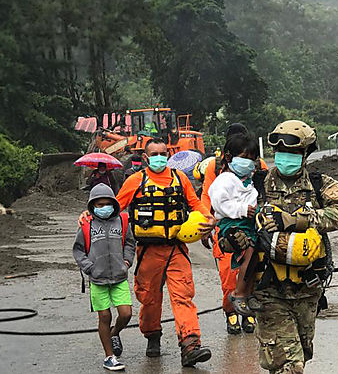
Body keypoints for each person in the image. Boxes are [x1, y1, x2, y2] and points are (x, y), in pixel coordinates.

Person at [230, 120, 338, 374]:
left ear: (305, 154)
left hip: (307, 289)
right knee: (289, 364)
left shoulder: (320, 185)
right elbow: (230, 219)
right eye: (281, 152)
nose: (286, 157)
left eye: (293, 152)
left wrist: (298, 220)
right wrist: (232, 238)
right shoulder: (255, 183)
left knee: (302, 353)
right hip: (268, 288)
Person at [114, 138, 215, 367]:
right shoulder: (135, 181)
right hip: (148, 250)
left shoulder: (180, 179)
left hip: (176, 248)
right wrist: (89, 216)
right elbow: (113, 207)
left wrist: (209, 220)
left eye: (163, 153)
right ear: (147, 158)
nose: (159, 157)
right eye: (155, 154)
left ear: (168, 155)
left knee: (183, 295)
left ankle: (190, 344)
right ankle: (152, 335)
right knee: (149, 298)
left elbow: (196, 205)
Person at [200, 123, 267, 334]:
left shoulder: (259, 166)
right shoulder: (215, 169)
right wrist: (207, 223)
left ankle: (247, 311)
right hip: (227, 228)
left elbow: (263, 193)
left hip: (252, 224)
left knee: (253, 268)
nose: (248, 160)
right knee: (228, 274)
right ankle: (230, 312)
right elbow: (208, 196)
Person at [72, 184, 135, 371]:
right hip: (98, 280)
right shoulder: (86, 225)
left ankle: (114, 333)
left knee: (126, 314)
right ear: (92, 205)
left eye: (107, 204)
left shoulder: (122, 221)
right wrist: (89, 268)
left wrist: (127, 262)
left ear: (114, 204)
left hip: (119, 277)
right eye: (99, 205)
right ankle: (109, 356)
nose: (104, 207)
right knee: (105, 316)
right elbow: (78, 250)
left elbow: (130, 243)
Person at [207, 134, 261, 317]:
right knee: (250, 254)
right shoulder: (224, 180)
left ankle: (249, 292)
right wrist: (242, 210)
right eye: (244, 158)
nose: (248, 163)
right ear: (229, 157)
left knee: (259, 256)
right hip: (233, 223)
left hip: (249, 222)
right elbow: (219, 204)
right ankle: (239, 293)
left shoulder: (248, 179)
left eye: (252, 159)